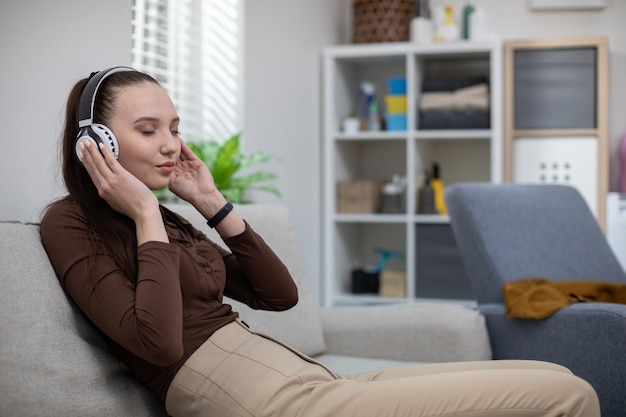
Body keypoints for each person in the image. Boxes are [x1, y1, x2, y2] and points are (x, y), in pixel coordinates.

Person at [41, 67, 600, 417]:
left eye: (175, 126)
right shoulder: (70, 225)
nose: (170, 145)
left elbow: (279, 296)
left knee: (557, 377)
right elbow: (159, 345)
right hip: (256, 399)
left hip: (303, 379)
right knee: (569, 400)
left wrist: (213, 204)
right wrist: (144, 214)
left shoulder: (176, 220)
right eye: (147, 130)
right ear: (98, 142)